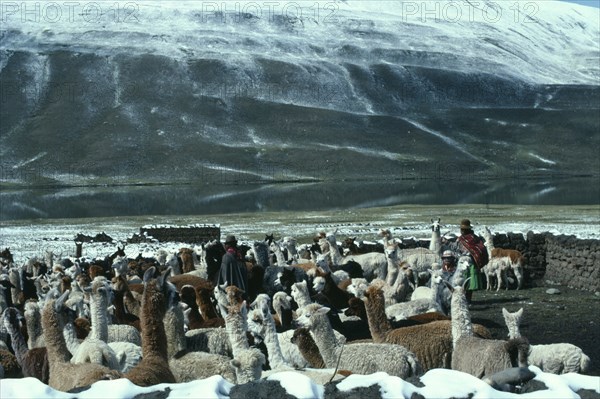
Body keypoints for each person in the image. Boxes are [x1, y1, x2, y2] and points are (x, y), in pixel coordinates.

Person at [447, 219, 488, 305]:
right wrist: (447, 242)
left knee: (470, 282)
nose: (461, 231)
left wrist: (472, 254)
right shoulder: (460, 239)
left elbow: (480, 248)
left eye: (463, 229)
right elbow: (455, 247)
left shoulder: (474, 238)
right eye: (461, 229)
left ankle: (468, 299)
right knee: (461, 281)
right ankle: (463, 299)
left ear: (467, 229)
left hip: (471, 263)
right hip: (462, 262)